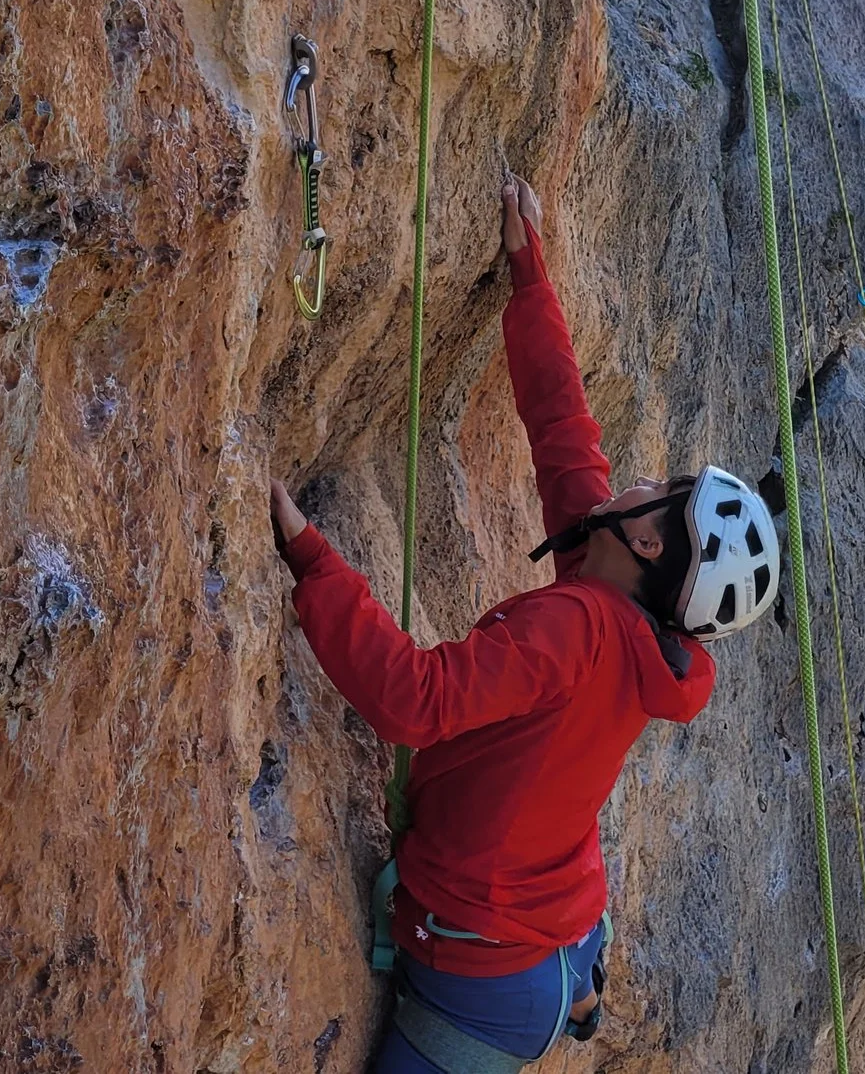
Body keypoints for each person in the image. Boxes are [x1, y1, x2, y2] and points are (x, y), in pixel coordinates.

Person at [268, 173, 784, 1072]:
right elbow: (560, 426)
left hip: (485, 976)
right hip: (553, 928)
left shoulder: (581, 629)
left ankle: (564, 992)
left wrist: (314, 563)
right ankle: (576, 988)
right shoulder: (621, 596)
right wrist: (526, 271)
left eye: (663, 493)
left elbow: (414, 701)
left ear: (655, 546)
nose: (645, 481)